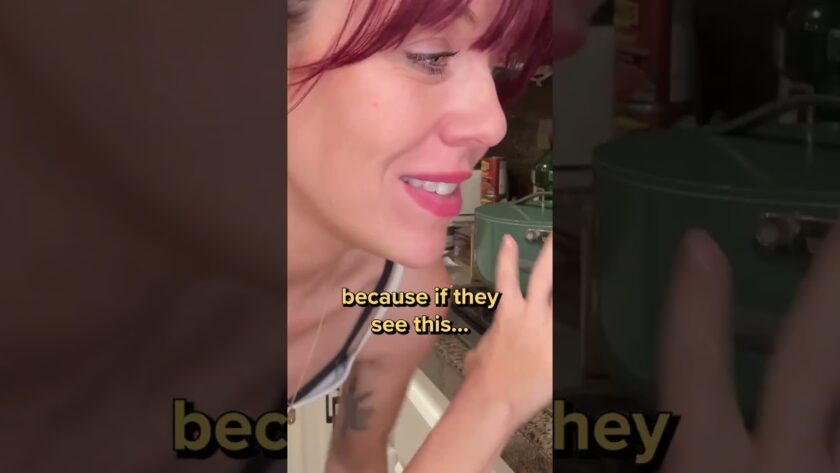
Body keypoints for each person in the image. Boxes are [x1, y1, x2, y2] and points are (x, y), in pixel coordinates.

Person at [283, 0, 599, 471]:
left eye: (499, 71)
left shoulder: (404, 297)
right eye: (430, 55)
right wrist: (493, 401)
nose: (493, 125)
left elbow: (353, 462)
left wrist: (497, 391)